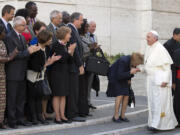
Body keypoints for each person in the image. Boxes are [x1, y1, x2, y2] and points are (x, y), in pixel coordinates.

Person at [5, 16, 40, 129]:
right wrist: (28, 51)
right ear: (16, 25)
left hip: (22, 72)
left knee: (21, 98)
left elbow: (24, 53)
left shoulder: (22, 37)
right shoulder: (9, 37)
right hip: (13, 72)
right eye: (23, 25)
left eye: (25, 25)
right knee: (12, 98)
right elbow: (12, 56)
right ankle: (12, 120)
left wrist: (31, 51)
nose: (25, 27)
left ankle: (20, 119)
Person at [142, 30, 178, 132]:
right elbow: (149, 64)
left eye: (148, 37)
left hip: (160, 81)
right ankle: (153, 122)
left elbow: (167, 66)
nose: (146, 39)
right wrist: (141, 69)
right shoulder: (149, 48)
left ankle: (158, 125)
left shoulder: (160, 49)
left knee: (160, 103)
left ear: (155, 38)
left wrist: (166, 80)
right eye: (147, 36)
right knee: (153, 102)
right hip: (151, 80)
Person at [27, 30, 61, 125]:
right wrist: (48, 63)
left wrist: (47, 63)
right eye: (50, 38)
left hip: (40, 77)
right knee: (32, 99)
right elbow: (34, 67)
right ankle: (34, 118)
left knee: (39, 98)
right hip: (32, 78)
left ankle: (40, 116)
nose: (51, 40)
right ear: (45, 39)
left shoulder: (45, 49)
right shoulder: (35, 50)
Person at [106, 53, 143, 123]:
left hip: (124, 78)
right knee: (120, 95)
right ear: (134, 61)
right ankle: (115, 116)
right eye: (137, 64)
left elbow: (127, 73)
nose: (137, 65)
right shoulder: (124, 60)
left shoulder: (131, 61)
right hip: (115, 77)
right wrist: (130, 72)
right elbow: (119, 75)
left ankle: (122, 116)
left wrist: (130, 76)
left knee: (126, 95)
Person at [51, 26, 76, 124]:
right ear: (64, 34)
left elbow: (70, 61)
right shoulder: (56, 45)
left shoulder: (65, 45)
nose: (70, 36)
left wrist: (71, 52)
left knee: (64, 95)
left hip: (65, 73)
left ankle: (63, 115)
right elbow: (60, 59)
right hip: (57, 74)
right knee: (57, 95)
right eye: (69, 34)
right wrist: (69, 52)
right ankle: (57, 116)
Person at [66, 12, 85, 122]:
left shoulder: (73, 29)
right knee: (73, 91)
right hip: (72, 66)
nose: (82, 23)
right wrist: (80, 65)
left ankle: (73, 112)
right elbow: (75, 50)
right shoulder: (70, 29)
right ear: (75, 20)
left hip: (73, 65)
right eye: (81, 20)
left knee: (75, 90)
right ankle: (72, 114)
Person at [0, 25, 18, 129]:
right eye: (3, 32)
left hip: (2, 74)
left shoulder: (2, 42)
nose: (5, 34)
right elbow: (1, 59)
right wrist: (12, 56)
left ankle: (1, 121)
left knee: (2, 99)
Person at [164, 28, 180, 126]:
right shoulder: (167, 45)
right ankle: (170, 117)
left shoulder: (178, 43)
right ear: (175, 35)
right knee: (173, 98)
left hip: (175, 74)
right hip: (171, 74)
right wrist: (172, 80)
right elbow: (169, 64)